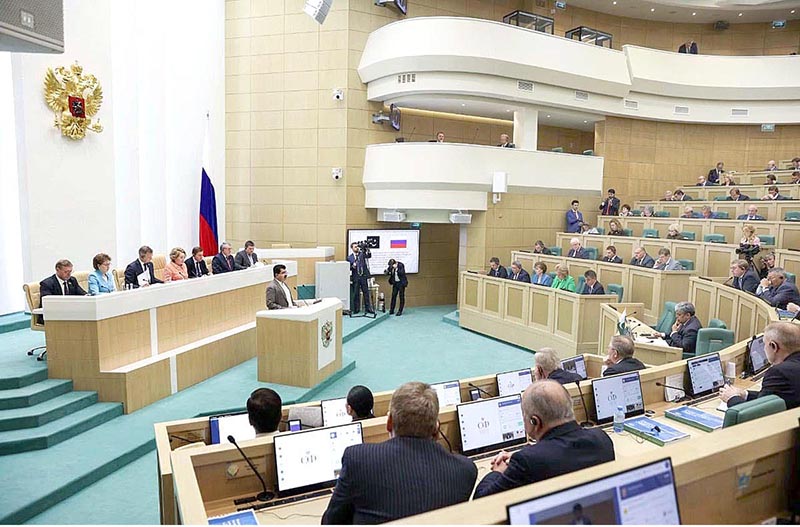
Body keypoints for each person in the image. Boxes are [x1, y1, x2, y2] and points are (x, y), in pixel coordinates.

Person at [322, 382, 477, 524]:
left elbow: (330, 523)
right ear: (436, 429)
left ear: (389, 423)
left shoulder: (359, 460)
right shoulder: (466, 471)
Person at [472, 381, 614, 498]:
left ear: (535, 421)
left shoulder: (528, 461)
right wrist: (518, 455)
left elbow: (482, 501)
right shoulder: (602, 439)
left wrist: (498, 471)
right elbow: (558, 451)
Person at [719, 322, 800, 410]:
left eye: (764, 344)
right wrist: (746, 394)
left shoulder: (779, 372)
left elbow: (758, 412)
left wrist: (732, 398)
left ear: (774, 346)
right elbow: (772, 398)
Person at [347, 242, 373, 314]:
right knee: (356, 293)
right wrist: (353, 266)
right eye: (355, 247)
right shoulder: (349, 258)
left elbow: (369, 255)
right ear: (352, 248)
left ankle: (368, 308)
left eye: (357, 247)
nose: (357, 248)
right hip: (356, 277)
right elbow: (348, 268)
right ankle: (356, 309)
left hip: (363, 276)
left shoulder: (362, 254)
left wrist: (367, 249)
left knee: (366, 292)